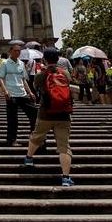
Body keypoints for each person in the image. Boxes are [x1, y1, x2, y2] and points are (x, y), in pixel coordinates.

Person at [25, 49, 75, 187]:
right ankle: (65, 178)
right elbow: (69, 85)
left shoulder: (41, 75)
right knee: (64, 147)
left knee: (37, 136)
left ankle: (29, 158)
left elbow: (36, 87)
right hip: (64, 114)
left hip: (46, 113)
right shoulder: (65, 73)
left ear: (45, 59)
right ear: (58, 59)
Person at [0, 44, 38, 147]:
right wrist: (5, 91)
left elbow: (23, 79)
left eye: (19, 51)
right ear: (10, 51)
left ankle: (33, 136)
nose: (17, 53)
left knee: (34, 114)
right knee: (12, 119)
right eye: (15, 51)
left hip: (22, 93)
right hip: (11, 94)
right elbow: (0, 78)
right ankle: (11, 140)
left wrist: (30, 92)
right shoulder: (5, 63)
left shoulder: (21, 64)